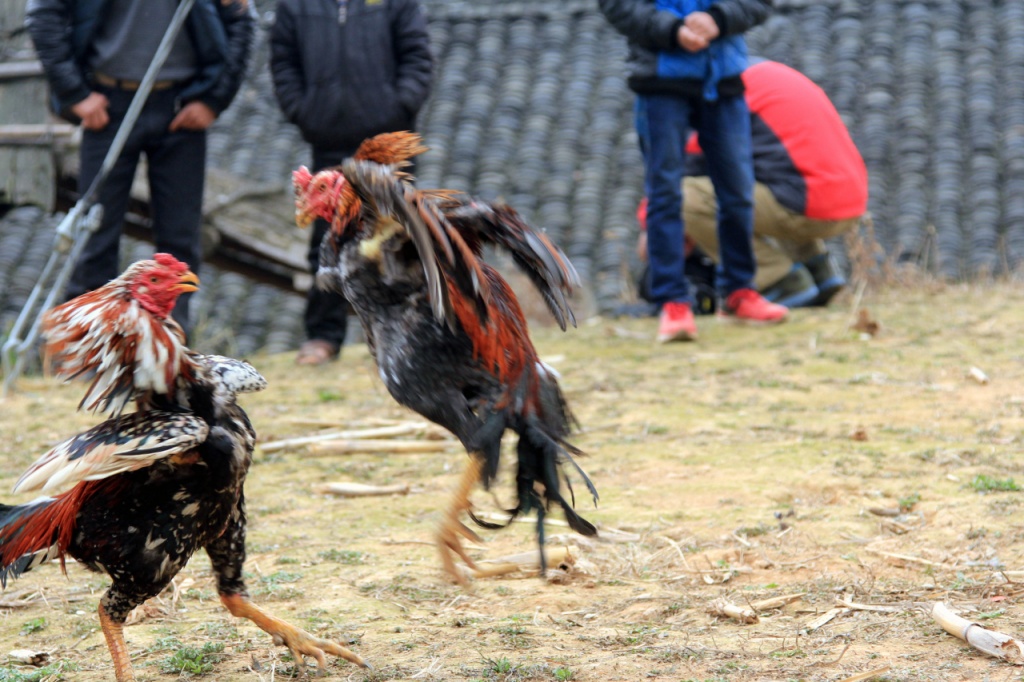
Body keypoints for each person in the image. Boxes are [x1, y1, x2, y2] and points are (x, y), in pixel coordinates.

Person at [26, 0, 255, 338]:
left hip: (182, 105)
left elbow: (240, 18)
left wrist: (214, 99)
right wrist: (75, 92)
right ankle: (90, 344)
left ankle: (170, 347)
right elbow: (43, 15)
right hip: (107, 103)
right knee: (94, 233)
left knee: (180, 237)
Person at [598, 0, 786, 344]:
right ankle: (671, 301)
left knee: (738, 190)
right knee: (665, 193)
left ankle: (739, 292)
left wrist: (719, 18)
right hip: (660, 81)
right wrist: (671, 30)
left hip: (724, 77)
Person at [270, 0, 433, 366]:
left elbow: (418, 57)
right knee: (328, 240)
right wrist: (304, 111)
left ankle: (407, 334)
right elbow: (283, 60)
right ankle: (323, 335)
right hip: (327, 139)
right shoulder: (295, 6)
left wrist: (397, 106)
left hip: (386, 143)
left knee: (398, 240)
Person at [680, 59, 868, 308]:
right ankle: (819, 271)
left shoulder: (724, 89)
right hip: (851, 201)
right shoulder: (770, 75)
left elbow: (691, 161)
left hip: (807, 206)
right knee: (770, 177)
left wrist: (652, 225)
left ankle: (777, 281)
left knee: (684, 198)